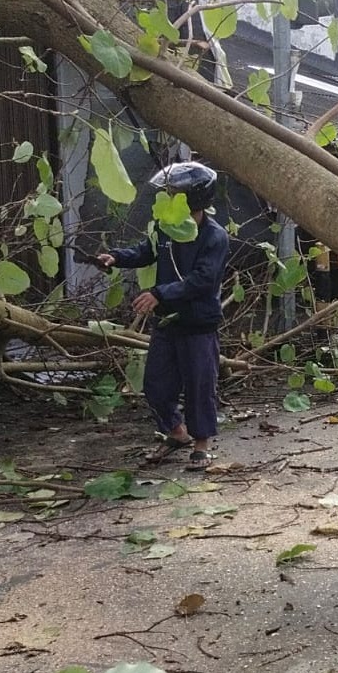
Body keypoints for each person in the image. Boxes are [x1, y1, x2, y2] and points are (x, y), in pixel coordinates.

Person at [96, 162, 228, 470]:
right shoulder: (165, 228)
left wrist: (159, 293)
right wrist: (116, 257)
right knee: (155, 385)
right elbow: (146, 251)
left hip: (197, 324)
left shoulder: (214, 237)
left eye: (175, 194)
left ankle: (201, 444)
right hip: (167, 322)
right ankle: (176, 432)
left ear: (193, 200)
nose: (168, 198)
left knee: (199, 386)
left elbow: (203, 280)